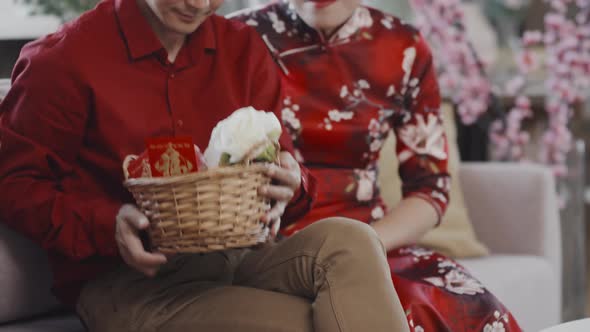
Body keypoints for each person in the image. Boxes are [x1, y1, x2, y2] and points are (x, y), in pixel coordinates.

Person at [0, 0, 410, 331]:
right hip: (131, 284)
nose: (198, 4)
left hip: (243, 257)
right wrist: (108, 223)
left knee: (352, 240)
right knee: (308, 322)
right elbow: (14, 183)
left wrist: (293, 183)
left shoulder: (242, 49)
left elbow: (280, 159)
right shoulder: (66, 59)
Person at [230, 1, 523, 331]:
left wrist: (359, 248)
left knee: (475, 310)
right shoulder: (235, 38)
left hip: (373, 239)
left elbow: (430, 188)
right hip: (271, 250)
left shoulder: (405, 46)